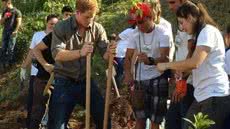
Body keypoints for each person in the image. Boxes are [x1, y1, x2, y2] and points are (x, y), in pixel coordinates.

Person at [157, 1, 230, 129]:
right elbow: (194, 66)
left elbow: (195, 63)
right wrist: (183, 72)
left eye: (182, 22)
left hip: (214, 95)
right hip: (203, 95)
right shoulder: (201, 34)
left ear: (190, 18)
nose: (182, 28)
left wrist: (167, 65)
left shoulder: (208, 32)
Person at [48, 0, 115, 129]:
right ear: (77, 13)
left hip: (85, 82)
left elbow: (106, 56)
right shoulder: (61, 27)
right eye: (87, 17)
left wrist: (110, 51)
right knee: (57, 125)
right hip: (64, 82)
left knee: (104, 119)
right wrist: (80, 52)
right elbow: (57, 54)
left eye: (93, 17)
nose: (90, 20)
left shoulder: (97, 29)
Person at [123, 2, 170, 129]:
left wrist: (151, 60)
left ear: (150, 17)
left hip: (158, 78)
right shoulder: (135, 34)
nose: (138, 25)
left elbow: (165, 59)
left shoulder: (163, 33)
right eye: (136, 22)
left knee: (155, 121)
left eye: (141, 22)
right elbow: (127, 56)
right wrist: (128, 73)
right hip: (140, 80)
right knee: (140, 119)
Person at [20, 14, 59, 129]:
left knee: (54, 104)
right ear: (46, 23)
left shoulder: (58, 36)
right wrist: (23, 67)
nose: (53, 26)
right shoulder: (38, 35)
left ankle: (47, 124)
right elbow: (32, 52)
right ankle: (30, 125)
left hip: (54, 75)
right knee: (35, 103)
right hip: (37, 74)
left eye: (56, 24)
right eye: (51, 23)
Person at [164, 0, 195, 129]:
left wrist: (182, 81)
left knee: (184, 123)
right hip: (181, 81)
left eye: (173, 2)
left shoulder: (191, 20)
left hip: (189, 83)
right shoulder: (180, 20)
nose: (170, 7)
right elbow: (181, 50)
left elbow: (192, 51)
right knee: (171, 122)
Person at [0, 0, 21, 66]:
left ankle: (9, 64)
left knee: (10, 48)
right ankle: (2, 62)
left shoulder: (16, 11)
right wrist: (4, 17)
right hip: (5, 32)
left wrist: (16, 31)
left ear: (8, 2)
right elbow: (1, 23)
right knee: (3, 48)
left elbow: (19, 22)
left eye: (3, 3)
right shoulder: (5, 11)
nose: (3, 5)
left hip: (12, 32)